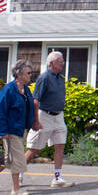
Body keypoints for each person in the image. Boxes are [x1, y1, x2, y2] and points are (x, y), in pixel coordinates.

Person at [0, 60, 38, 195]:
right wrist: (2, 131)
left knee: (11, 159)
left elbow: (30, 107)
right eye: (28, 73)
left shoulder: (26, 90)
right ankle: (16, 189)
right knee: (18, 159)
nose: (30, 75)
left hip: (22, 129)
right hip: (11, 130)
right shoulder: (8, 90)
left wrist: (33, 123)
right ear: (19, 74)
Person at [24, 51, 73, 187]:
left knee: (60, 145)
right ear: (51, 63)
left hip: (59, 116)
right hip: (44, 115)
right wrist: (35, 121)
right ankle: (19, 173)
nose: (63, 63)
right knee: (34, 149)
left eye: (62, 61)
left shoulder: (60, 78)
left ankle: (57, 178)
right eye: (60, 61)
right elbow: (35, 100)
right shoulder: (44, 78)